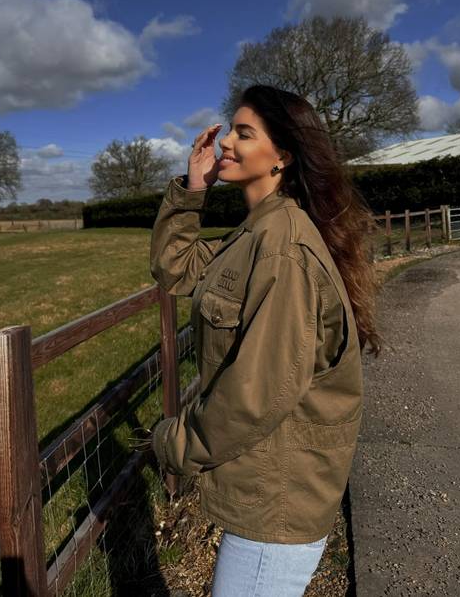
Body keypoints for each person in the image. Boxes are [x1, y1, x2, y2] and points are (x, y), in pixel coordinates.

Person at [130, 84, 382, 596]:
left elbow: (258, 392)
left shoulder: (281, 247)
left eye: (244, 133)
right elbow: (177, 270)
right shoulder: (256, 232)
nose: (226, 141)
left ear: (282, 156)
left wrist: (175, 444)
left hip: (278, 499)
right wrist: (191, 190)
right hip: (267, 484)